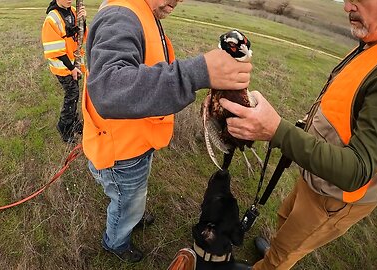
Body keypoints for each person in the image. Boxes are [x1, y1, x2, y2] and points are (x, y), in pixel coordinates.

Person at [82, 0, 253, 263]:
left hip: (136, 142)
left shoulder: (145, 13)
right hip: (121, 153)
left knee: (134, 198)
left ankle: (133, 216)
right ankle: (115, 241)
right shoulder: (121, 16)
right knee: (125, 202)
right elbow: (108, 88)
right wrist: (198, 73)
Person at [220, 0, 377, 269]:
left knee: (287, 252)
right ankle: (275, 246)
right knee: (287, 217)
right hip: (316, 173)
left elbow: (357, 171)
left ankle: (270, 262)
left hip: (335, 197)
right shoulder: (372, 44)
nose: (347, 7)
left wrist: (277, 131)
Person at [41, 0, 87, 143]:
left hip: (75, 63)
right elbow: (55, 50)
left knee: (74, 93)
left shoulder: (73, 10)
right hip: (63, 66)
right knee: (72, 94)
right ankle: (64, 126)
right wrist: (72, 68)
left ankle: (73, 121)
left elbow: (80, 34)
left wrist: (83, 21)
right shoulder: (52, 19)